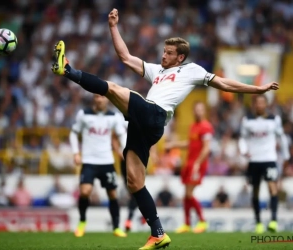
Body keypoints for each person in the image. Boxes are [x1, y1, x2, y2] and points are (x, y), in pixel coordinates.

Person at [51, 8, 279, 249]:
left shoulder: (192, 71)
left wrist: (257, 89)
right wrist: (113, 27)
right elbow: (126, 57)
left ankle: (67, 70)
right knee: (134, 182)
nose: (163, 56)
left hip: (155, 113)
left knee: (112, 88)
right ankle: (158, 233)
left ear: (180, 57)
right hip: (143, 124)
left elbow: (223, 83)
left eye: (169, 53)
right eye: (163, 51)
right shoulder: (157, 71)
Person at [69, 94, 127, 238]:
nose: (99, 99)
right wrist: (76, 153)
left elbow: (121, 134)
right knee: (85, 192)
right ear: (94, 99)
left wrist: (124, 150)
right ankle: (82, 222)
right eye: (97, 97)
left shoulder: (114, 116)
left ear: (107, 99)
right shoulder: (84, 114)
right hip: (89, 161)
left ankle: (116, 227)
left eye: (102, 97)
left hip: (107, 161)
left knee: (112, 194)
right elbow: (73, 133)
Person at [238, 95, 290, 233]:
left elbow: (281, 137)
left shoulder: (274, 120)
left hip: (269, 159)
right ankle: (258, 222)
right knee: (255, 191)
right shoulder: (247, 120)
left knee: (273, 188)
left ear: (266, 104)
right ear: (254, 105)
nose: (260, 105)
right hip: (254, 160)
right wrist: (244, 150)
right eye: (257, 103)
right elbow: (242, 139)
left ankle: (273, 220)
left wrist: (286, 156)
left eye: (262, 102)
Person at [166, 102, 213, 233]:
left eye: (201, 109)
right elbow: (190, 143)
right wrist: (174, 144)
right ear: (193, 111)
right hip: (190, 163)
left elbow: (206, 148)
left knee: (188, 194)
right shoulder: (193, 126)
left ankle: (203, 221)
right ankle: (187, 224)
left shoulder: (206, 127)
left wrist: (198, 163)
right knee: (186, 195)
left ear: (204, 111)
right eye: (196, 109)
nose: (198, 112)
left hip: (198, 164)